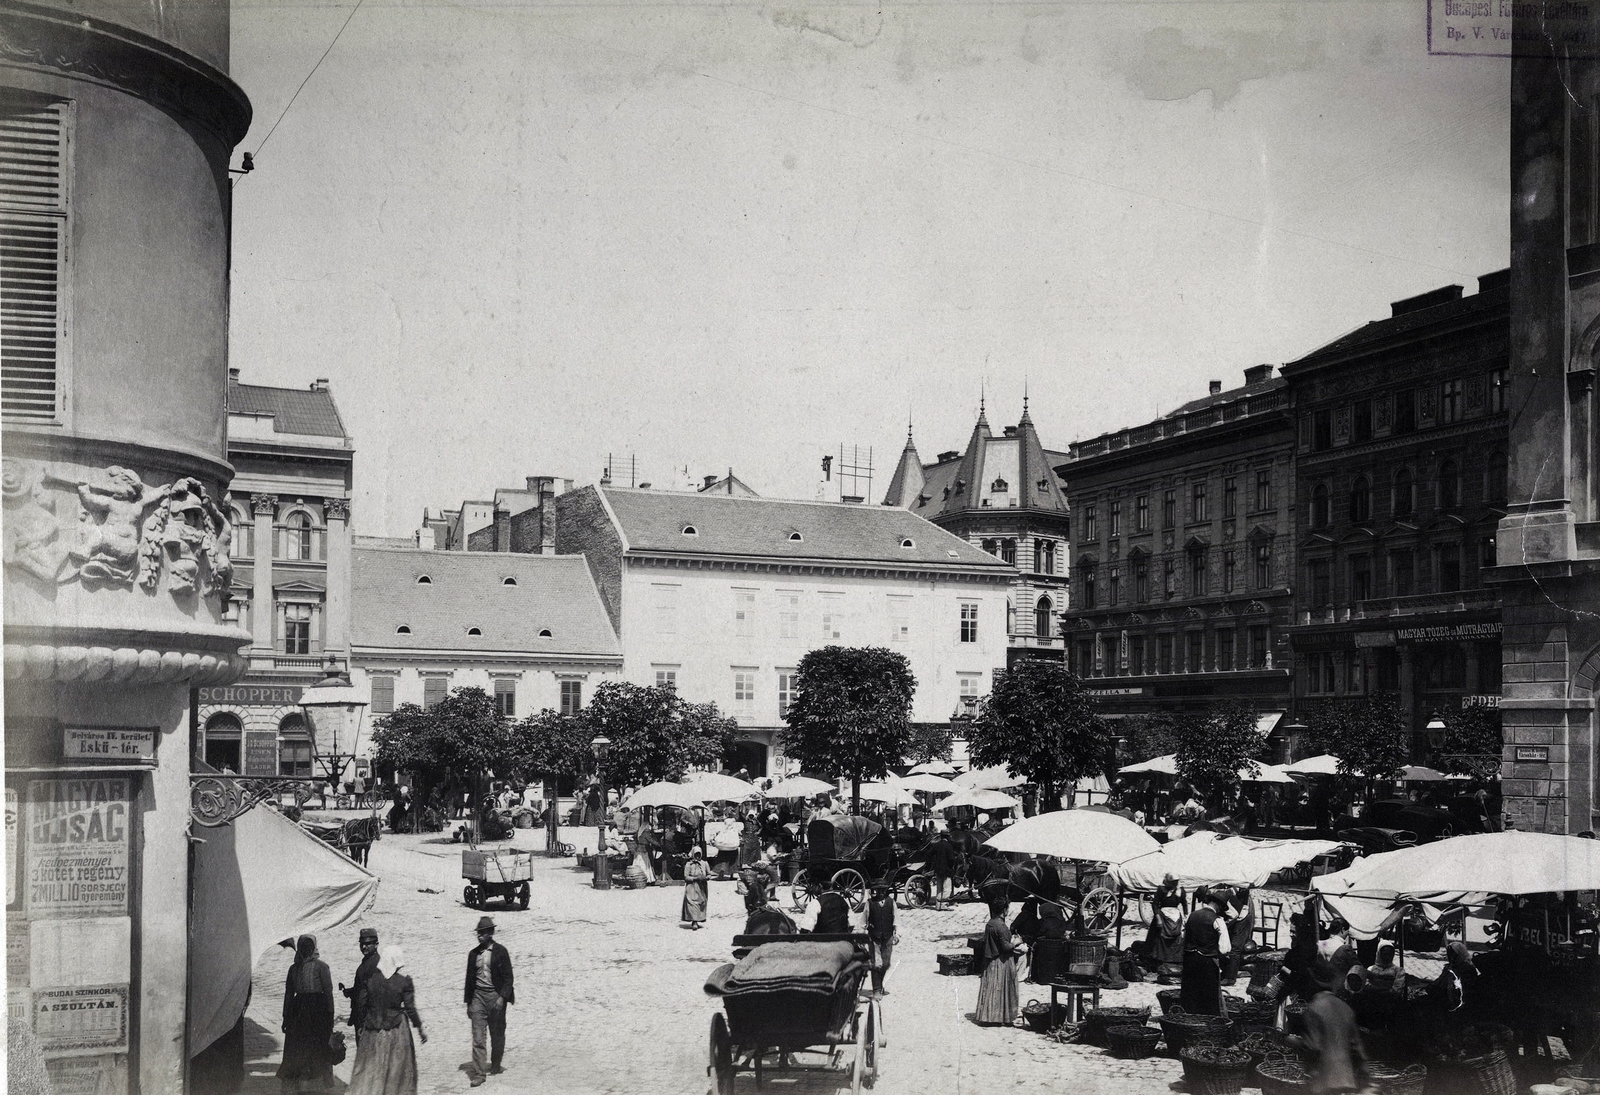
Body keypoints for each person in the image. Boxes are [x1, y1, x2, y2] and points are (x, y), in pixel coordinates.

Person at [347, 945, 425, 1095]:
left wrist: (361, 1024)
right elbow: (410, 1008)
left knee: (371, 1067)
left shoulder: (370, 980)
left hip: (372, 1030)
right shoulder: (403, 982)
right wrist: (420, 1028)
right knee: (396, 1069)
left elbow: (361, 1004)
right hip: (396, 1030)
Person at [1289, 964, 1368, 1095]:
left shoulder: (1314, 1008)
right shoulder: (1345, 1008)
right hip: (1347, 1080)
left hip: (1323, 1081)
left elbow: (1314, 1046)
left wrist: (1293, 1041)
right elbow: (1357, 1047)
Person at [277, 935, 335, 1092]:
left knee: (316, 1050)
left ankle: (313, 1087)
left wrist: (330, 1017)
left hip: (318, 1013)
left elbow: (328, 993)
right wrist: (285, 1017)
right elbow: (289, 994)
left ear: (314, 947)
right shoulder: (293, 969)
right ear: (299, 948)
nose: (306, 949)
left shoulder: (322, 967)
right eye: (303, 945)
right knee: (298, 1050)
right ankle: (299, 1085)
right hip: (298, 1015)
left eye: (309, 945)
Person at [463, 917, 514, 1086]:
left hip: (495, 997)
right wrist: (469, 1003)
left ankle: (496, 1063)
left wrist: (502, 998)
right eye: (478, 933)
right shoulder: (473, 954)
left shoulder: (501, 952)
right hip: (478, 997)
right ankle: (479, 1073)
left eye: (483, 933)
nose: (479, 936)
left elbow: (508, 979)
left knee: (497, 1034)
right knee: (478, 1037)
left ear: (490, 934)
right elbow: (469, 981)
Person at [975, 895, 1025, 1025]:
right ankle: (1002, 1017)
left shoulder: (990, 923)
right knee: (1004, 989)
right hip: (1001, 961)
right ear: (1004, 910)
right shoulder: (1001, 926)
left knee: (991, 989)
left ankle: (989, 1016)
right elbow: (1006, 947)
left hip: (990, 961)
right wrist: (1016, 942)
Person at [1180, 887, 1230, 1015]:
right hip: (1207, 961)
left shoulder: (1192, 915)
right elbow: (1225, 948)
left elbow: (1183, 937)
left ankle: (1188, 1020)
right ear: (1218, 905)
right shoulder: (1217, 920)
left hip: (1189, 959)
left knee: (1190, 993)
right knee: (1209, 996)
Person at [1144, 874, 1185, 983]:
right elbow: (1155, 904)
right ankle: (1158, 963)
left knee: (1176, 939)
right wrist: (1158, 918)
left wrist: (1185, 917)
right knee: (1158, 939)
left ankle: (1173, 963)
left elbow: (1184, 904)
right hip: (1162, 915)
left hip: (1175, 916)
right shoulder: (1161, 889)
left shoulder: (1180, 891)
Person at [342, 927, 381, 1041]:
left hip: (368, 1018)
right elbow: (364, 988)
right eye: (362, 944)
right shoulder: (368, 961)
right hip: (365, 1017)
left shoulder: (374, 964)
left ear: (376, 944)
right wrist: (352, 991)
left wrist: (363, 1023)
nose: (364, 947)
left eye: (368, 944)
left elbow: (370, 994)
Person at [867, 882, 896, 996]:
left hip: (888, 936)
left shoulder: (891, 902)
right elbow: (863, 920)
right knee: (876, 963)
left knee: (886, 963)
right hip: (874, 937)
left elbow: (896, 919)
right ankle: (877, 989)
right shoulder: (870, 903)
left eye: (883, 890)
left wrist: (897, 934)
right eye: (878, 890)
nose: (881, 892)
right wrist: (862, 933)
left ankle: (880, 984)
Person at [1223, 887, 1256, 985]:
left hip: (1242, 919)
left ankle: (1230, 979)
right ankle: (1226, 973)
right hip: (1237, 917)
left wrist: (1223, 926)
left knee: (1235, 949)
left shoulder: (1223, 899)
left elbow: (1233, 916)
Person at [924, 829, 958, 911]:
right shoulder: (949, 846)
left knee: (939, 887)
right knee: (947, 888)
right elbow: (951, 859)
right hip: (947, 870)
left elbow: (929, 854)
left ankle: (938, 904)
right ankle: (943, 904)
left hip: (938, 869)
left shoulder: (936, 845)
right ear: (947, 837)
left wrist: (934, 862)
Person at [681, 847, 710, 929]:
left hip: (702, 887)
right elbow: (686, 877)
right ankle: (694, 922)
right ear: (693, 854)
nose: (697, 857)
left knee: (701, 902)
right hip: (691, 886)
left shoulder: (704, 863)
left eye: (699, 854)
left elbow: (709, 874)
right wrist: (695, 878)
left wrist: (706, 877)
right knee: (692, 903)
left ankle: (699, 919)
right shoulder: (688, 865)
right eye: (696, 854)